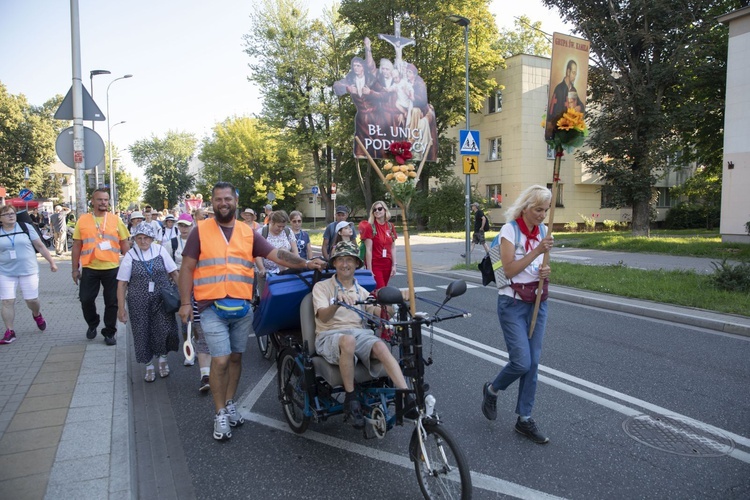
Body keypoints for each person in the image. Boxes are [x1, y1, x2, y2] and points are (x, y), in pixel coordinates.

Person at [178, 181, 325, 441]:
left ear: (235, 200)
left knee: (236, 359)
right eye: (218, 199)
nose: (223, 203)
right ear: (212, 203)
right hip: (210, 306)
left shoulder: (248, 232)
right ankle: (219, 412)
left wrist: (304, 262)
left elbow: (276, 254)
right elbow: (187, 268)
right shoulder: (200, 231)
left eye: (228, 198)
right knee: (220, 359)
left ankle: (231, 402)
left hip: (242, 306)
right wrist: (185, 303)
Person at [480, 185, 554, 444]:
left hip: (537, 302)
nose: (542, 215)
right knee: (521, 362)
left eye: (545, 210)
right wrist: (538, 250)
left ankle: (524, 419)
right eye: (537, 209)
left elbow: (536, 266)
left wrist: (545, 272)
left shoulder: (543, 231)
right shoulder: (509, 231)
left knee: (533, 364)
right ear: (525, 207)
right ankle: (492, 390)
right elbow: (509, 270)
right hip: (512, 303)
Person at [312, 241, 413, 428]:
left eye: (349, 260)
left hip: (359, 333)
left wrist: (392, 300)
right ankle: (351, 400)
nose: (344, 264)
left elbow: (381, 314)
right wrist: (336, 303)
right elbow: (324, 317)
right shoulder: (322, 287)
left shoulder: (362, 291)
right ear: (334, 263)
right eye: (340, 259)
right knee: (348, 340)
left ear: (357, 264)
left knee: (381, 345)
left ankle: (406, 395)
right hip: (329, 335)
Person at [116, 223, 180, 381]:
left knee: (165, 329)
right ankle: (149, 365)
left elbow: (174, 273)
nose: (143, 241)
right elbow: (122, 283)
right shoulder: (130, 256)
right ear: (135, 239)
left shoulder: (160, 251)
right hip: (138, 300)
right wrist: (121, 308)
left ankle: (163, 359)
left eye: (146, 238)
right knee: (141, 332)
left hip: (162, 298)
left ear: (152, 238)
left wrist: (185, 297)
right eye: (139, 238)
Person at [71, 189, 131, 345]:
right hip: (90, 267)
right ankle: (93, 323)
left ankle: (109, 332)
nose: (103, 202)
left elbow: (124, 243)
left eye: (106, 200)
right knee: (85, 299)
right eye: (100, 200)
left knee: (112, 302)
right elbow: (77, 245)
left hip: (111, 267)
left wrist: (130, 265)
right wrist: (75, 269)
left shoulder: (116, 220)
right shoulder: (83, 220)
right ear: (93, 201)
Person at [0, 205, 58, 344]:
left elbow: (40, 246)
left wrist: (52, 262)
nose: (11, 216)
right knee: (7, 301)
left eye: (12, 213)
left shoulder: (25, 227)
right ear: (1, 218)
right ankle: (9, 331)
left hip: (28, 270)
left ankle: (37, 315)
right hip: (6, 272)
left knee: (31, 300)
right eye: (7, 214)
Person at [255, 210, 299, 297]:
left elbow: (295, 251)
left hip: (284, 273)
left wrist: (296, 265)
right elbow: (257, 254)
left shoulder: (288, 232)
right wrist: (261, 268)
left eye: (283, 226)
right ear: (271, 222)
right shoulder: (262, 232)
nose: (281, 229)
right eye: (278, 226)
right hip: (266, 274)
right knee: (265, 299)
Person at [360, 201, 397, 289]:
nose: (377, 211)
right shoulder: (370, 227)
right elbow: (368, 249)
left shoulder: (390, 226)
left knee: (383, 289)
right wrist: (369, 269)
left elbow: (393, 247)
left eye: (380, 209)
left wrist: (394, 265)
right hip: (375, 264)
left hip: (387, 263)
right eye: (374, 210)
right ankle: (382, 303)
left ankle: (379, 303)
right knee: (381, 290)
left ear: (385, 210)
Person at [545, 59, 584, 140]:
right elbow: (557, 113)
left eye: (575, 73)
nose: (574, 76)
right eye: (573, 73)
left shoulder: (573, 89)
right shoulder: (560, 89)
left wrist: (578, 108)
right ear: (568, 71)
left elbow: (581, 106)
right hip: (559, 129)